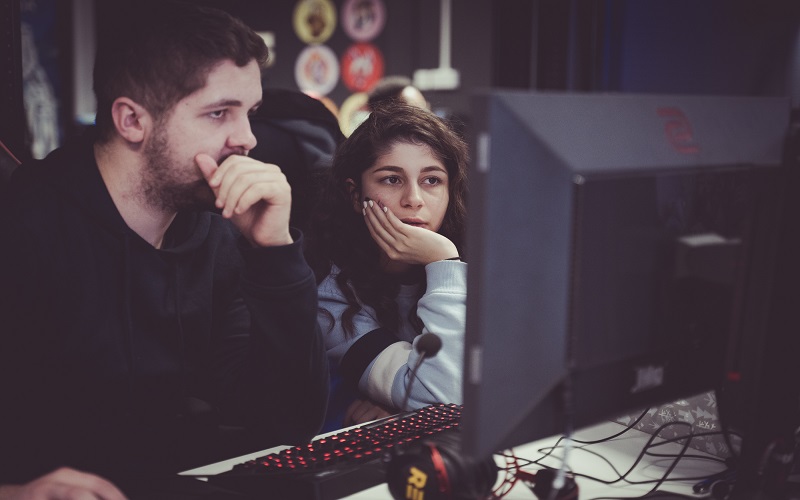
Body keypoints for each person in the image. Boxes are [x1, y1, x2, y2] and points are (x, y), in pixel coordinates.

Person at [0, 2, 328, 498]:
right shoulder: (24, 228)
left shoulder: (218, 235)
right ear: (132, 119)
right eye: (219, 113)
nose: (248, 139)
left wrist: (275, 252)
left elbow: (283, 423)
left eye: (250, 113)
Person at [305, 102, 468, 431]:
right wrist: (443, 263)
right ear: (355, 195)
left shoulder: (479, 269)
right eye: (392, 179)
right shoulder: (331, 297)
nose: (414, 199)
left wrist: (402, 408)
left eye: (432, 180)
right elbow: (442, 399)